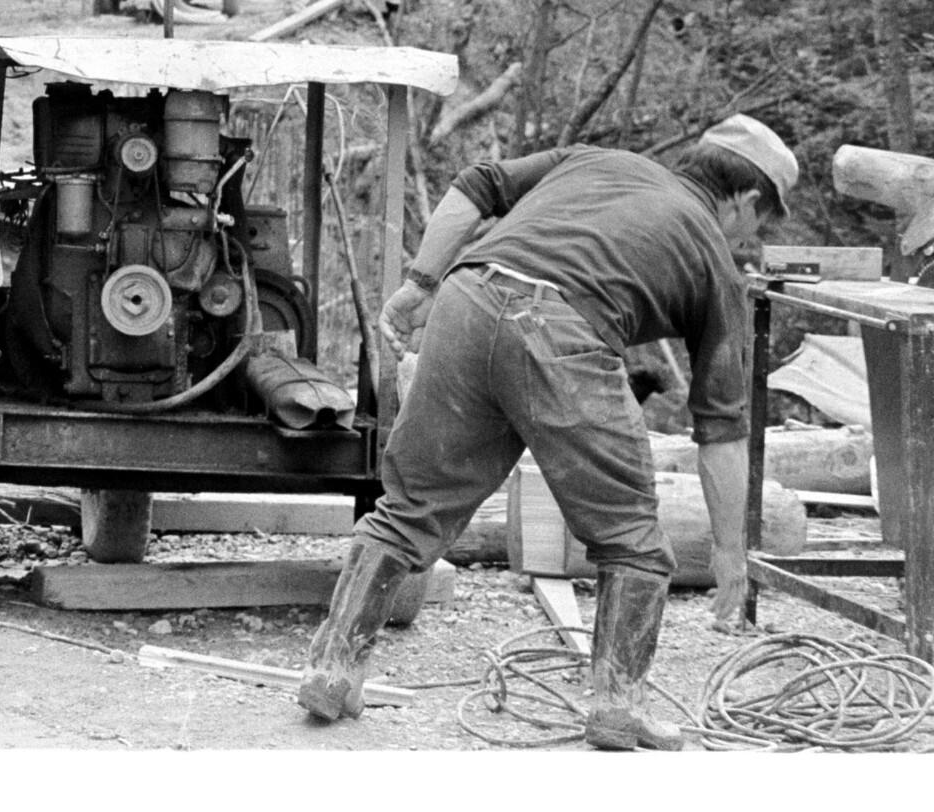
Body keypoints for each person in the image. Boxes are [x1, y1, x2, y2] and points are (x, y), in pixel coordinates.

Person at [296, 115, 799, 749]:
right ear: (746, 200)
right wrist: (729, 552)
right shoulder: (716, 264)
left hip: (466, 298)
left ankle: (333, 669)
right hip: (558, 330)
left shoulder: (596, 159)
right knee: (633, 542)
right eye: (760, 223)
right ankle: (618, 706)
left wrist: (420, 285)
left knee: (410, 509)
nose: (751, 239)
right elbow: (722, 430)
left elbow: (475, 185)